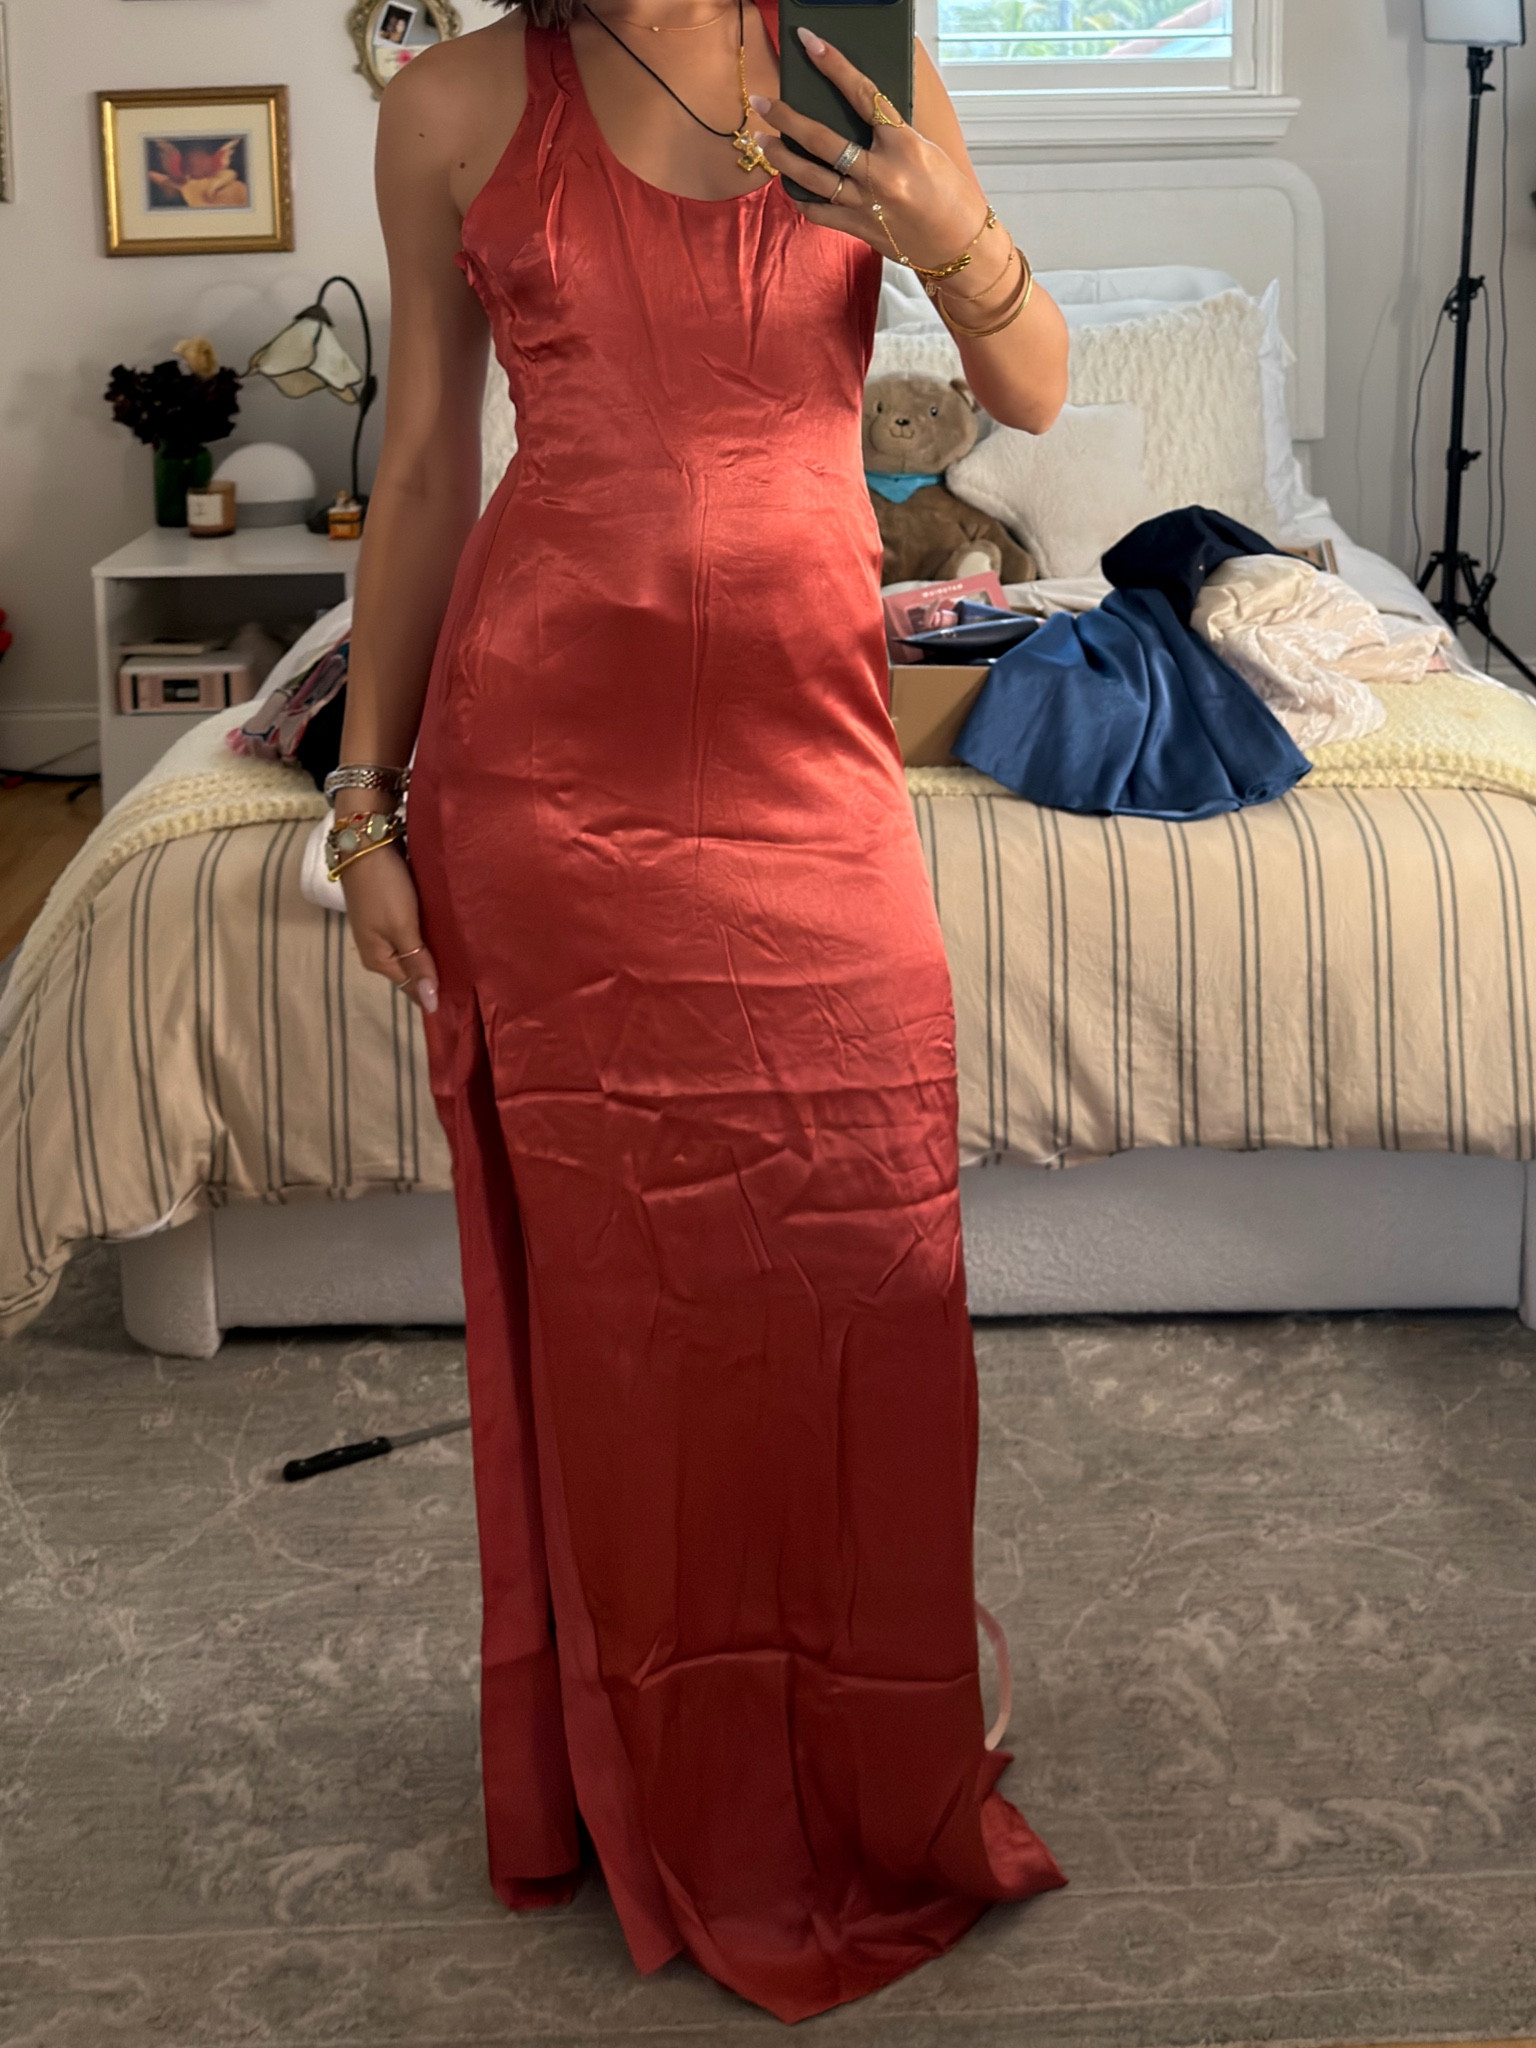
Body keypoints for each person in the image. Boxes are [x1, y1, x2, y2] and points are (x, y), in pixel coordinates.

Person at [330, 0, 1070, 2020]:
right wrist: (364, 797)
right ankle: (649, 1765)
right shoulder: (454, 104)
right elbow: (424, 466)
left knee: (870, 1277)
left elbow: (1032, 387)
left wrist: (940, 228)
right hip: (546, 790)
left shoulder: (852, 58)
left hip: (811, 772)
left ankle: (868, 1747)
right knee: (629, 1319)